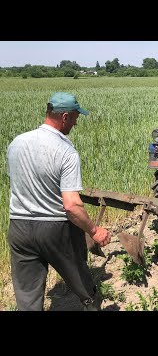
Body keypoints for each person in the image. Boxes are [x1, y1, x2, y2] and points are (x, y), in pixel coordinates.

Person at [6, 92, 112, 311]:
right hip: (55, 228)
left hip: (18, 228)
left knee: (27, 298)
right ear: (64, 117)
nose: (75, 123)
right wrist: (94, 231)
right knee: (83, 285)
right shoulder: (65, 151)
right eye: (74, 118)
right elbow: (71, 205)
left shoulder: (16, 143)